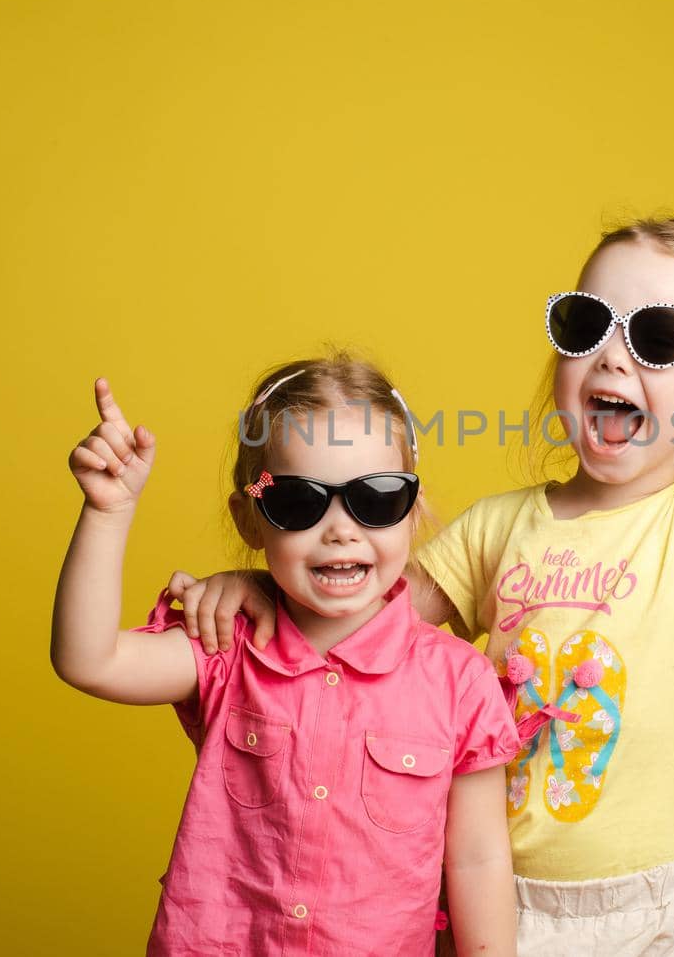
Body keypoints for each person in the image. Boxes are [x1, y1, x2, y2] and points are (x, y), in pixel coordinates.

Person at [163, 60, 674, 954]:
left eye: (662, 335)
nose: (615, 357)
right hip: (494, 906)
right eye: (587, 325)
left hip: (660, 917)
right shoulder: (497, 529)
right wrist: (254, 588)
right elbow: (354, 623)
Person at [50, 356, 522, 955]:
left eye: (375, 499)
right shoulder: (224, 645)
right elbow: (88, 661)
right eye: (300, 503)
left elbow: (479, 862)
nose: (341, 530)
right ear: (251, 518)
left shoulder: (458, 682)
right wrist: (107, 512)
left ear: (413, 509)